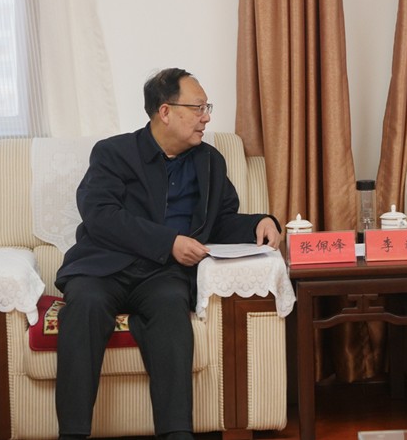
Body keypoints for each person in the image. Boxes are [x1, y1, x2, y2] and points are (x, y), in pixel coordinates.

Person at [54, 68, 281, 440]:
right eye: (197, 108)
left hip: (162, 275)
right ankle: (73, 434)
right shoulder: (113, 153)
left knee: (172, 308)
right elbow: (101, 216)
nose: (206, 117)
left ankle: (177, 433)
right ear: (165, 112)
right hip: (102, 268)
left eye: (207, 108)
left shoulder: (210, 162)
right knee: (85, 306)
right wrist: (168, 242)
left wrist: (261, 222)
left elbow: (221, 221)